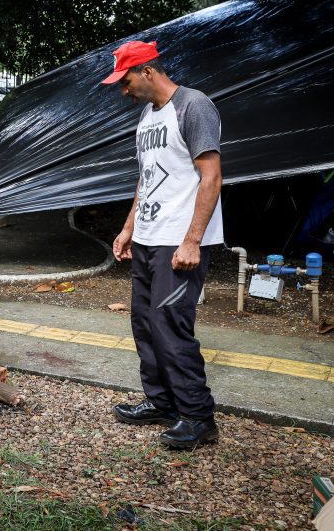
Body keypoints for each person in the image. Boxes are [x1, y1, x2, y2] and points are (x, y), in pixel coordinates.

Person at [103, 40, 223, 449]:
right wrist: (127, 228)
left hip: (179, 239)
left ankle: (198, 417)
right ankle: (162, 403)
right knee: (145, 323)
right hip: (150, 236)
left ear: (149, 71)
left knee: (171, 327)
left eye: (127, 80)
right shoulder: (147, 117)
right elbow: (147, 178)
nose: (124, 90)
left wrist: (193, 241)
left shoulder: (194, 106)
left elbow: (212, 177)